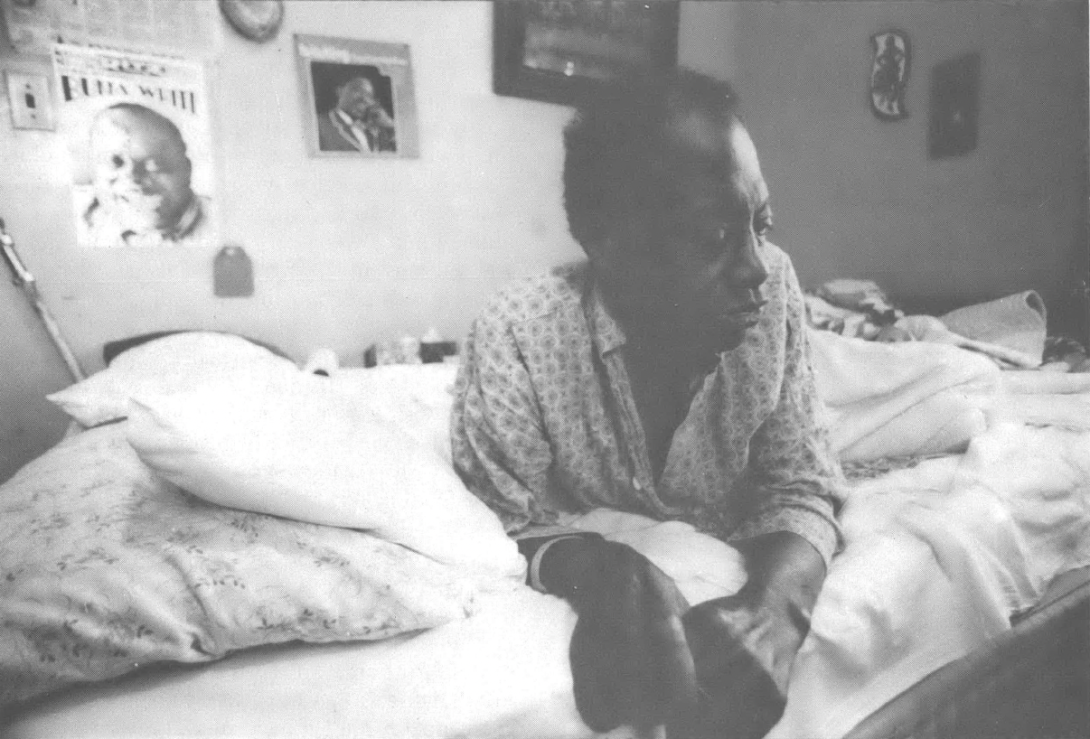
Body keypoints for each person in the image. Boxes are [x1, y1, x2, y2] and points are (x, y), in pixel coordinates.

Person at [451, 69, 844, 738]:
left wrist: (777, 610)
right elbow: (500, 522)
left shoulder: (773, 286)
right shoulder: (519, 331)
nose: (757, 266)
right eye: (715, 238)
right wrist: (600, 568)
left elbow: (800, 482)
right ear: (605, 241)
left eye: (763, 224)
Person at [80, 103, 209, 248]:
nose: (132, 177)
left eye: (155, 164)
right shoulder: (83, 223)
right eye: (116, 161)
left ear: (187, 169)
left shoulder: (223, 222)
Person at [317, 74, 396, 153]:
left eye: (369, 96)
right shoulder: (319, 124)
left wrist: (390, 126)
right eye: (358, 91)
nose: (364, 99)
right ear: (340, 91)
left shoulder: (377, 134)